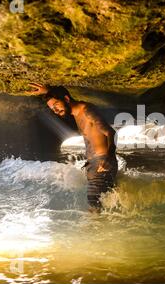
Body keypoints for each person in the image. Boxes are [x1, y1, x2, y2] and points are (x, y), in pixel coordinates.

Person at [26, 82, 118, 212]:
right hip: (95, 164)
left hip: (102, 164)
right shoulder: (76, 113)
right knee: (104, 205)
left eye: (56, 105)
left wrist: (109, 157)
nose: (55, 110)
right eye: (52, 108)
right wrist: (48, 91)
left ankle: (96, 231)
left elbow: (111, 132)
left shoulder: (87, 110)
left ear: (67, 99)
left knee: (94, 207)